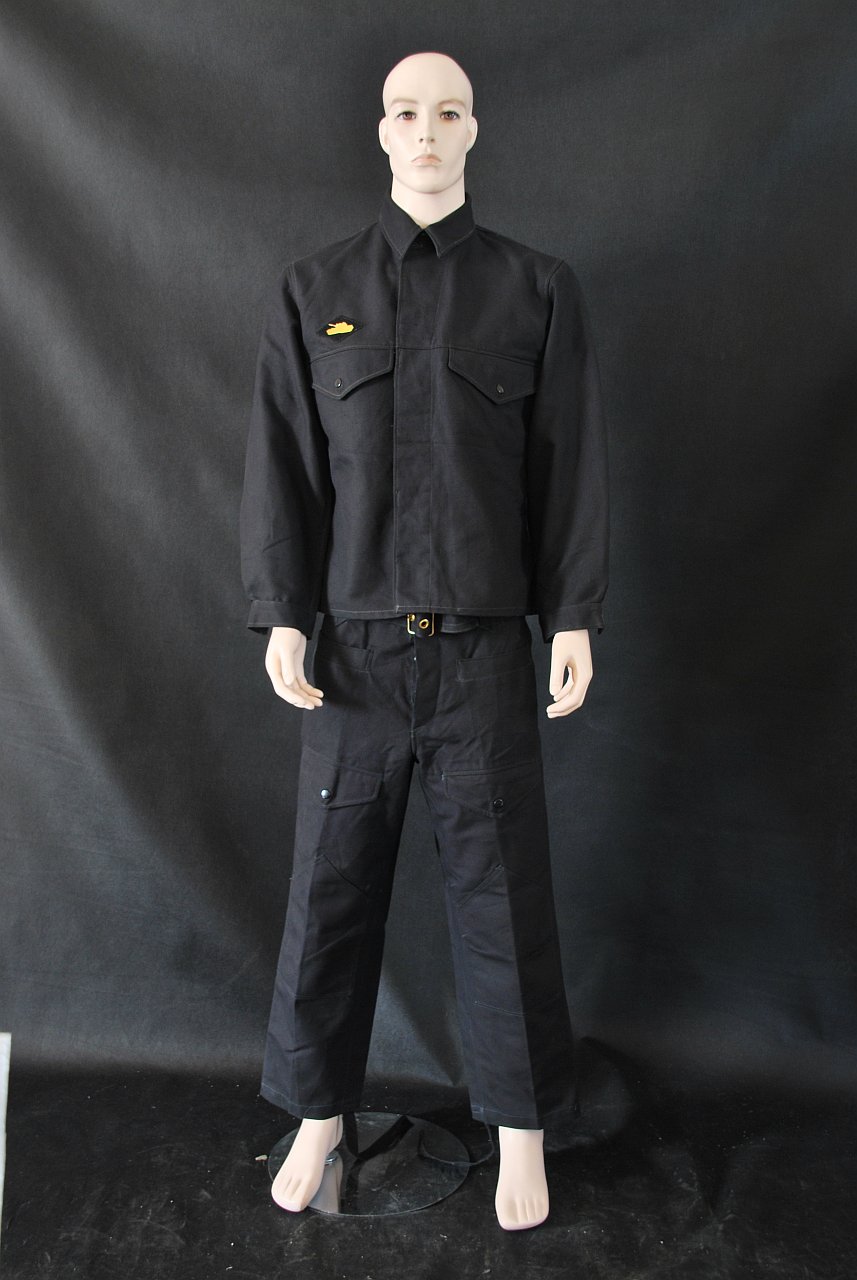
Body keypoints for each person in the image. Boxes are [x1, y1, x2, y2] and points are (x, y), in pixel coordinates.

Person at [240, 50, 609, 1231]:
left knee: (503, 896)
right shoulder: (313, 291)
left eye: (448, 112)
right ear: (382, 130)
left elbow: (565, 467)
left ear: (473, 130)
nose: (427, 130)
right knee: (329, 889)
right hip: (353, 659)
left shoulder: (534, 290)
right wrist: (282, 612)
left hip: (482, 655)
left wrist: (573, 614)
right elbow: (283, 467)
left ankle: (520, 1128)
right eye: (407, 111)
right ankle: (317, 1111)